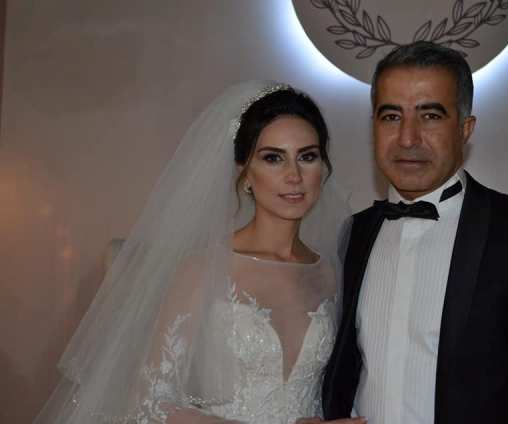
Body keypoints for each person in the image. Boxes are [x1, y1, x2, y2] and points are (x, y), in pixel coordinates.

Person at [35, 81, 364, 424]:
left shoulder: (331, 272)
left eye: (307, 157)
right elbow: (150, 404)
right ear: (244, 172)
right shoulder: (203, 270)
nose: (294, 175)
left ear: (323, 168)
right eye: (273, 158)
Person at [322, 42, 508, 423]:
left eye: (430, 116)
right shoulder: (354, 234)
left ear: (465, 128)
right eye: (391, 116)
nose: (408, 138)